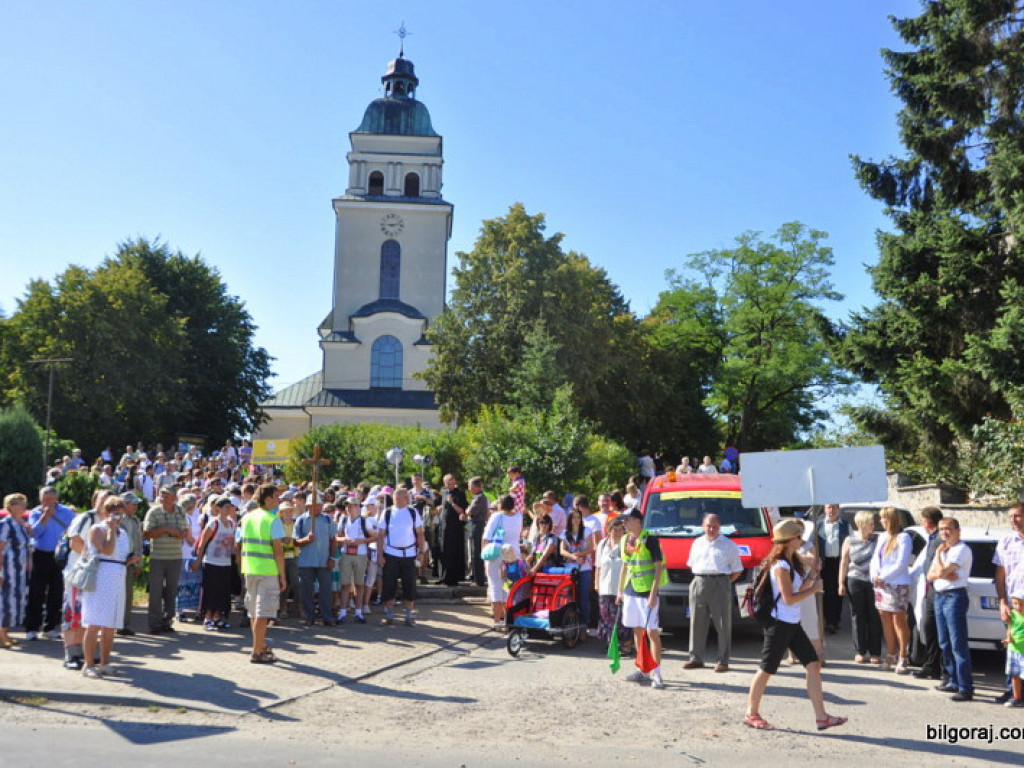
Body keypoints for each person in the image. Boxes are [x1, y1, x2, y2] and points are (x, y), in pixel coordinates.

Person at [744, 519, 846, 731]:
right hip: (780, 624)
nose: (801, 540)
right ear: (790, 540)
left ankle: (822, 717)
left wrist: (813, 574)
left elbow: (799, 588)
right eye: (799, 536)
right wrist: (814, 589)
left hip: (791, 623)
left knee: (813, 664)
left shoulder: (790, 561)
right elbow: (789, 598)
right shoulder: (781, 565)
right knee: (766, 669)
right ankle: (751, 713)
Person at [685, 513, 743, 672]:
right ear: (703, 526)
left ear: (719, 527)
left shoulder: (729, 545)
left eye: (715, 526)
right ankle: (696, 658)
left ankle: (723, 660)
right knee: (696, 622)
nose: (711, 529)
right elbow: (691, 564)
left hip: (720, 583)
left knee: (723, 624)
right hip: (699, 582)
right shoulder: (696, 543)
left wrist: (723, 582)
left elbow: (737, 570)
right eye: (708, 526)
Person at [81, 496, 132, 678]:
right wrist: (110, 529)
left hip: (118, 576)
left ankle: (105, 663)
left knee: (110, 625)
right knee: (94, 623)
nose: (119, 517)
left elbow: (120, 555)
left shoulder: (123, 533)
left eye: (121, 513)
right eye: (115, 513)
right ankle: (88, 665)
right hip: (101, 577)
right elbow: (108, 550)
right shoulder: (97, 529)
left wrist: (130, 560)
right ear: (106, 512)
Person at [617, 508, 667, 689]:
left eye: (627, 520)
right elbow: (625, 566)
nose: (624, 523)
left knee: (652, 632)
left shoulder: (650, 539)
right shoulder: (626, 539)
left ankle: (657, 673)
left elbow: (658, 567)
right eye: (623, 521)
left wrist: (653, 594)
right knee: (637, 631)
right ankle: (643, 668)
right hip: (631, 590)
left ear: (638, 521)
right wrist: (620, 591)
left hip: (646, 592)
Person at [239, 484, 287, 663]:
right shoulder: (272, 520)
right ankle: (257, 651)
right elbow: (278, 551)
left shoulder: (247, 517)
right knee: (263, 612)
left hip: (249, 569)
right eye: (276, 497)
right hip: (267, 570)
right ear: (268, 499)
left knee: (254, 612)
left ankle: (259, 645)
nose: (278, 500)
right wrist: (282, 576)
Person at [929, 517, 974, 702]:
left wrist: (939, 557)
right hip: (940, 596)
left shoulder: (961, 549)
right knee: (944, 642)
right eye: (941, 529)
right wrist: (944, 572)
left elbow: (940, 572)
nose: (944, 532)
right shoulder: (944, 549)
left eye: (948, 529)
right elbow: (930, 575)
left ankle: (965, 687)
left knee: (958, 643)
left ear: (957, 530)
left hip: (954, 597)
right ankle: (952, 680)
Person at [25, 486, 75, 640]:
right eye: (44, 499)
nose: (47, 502)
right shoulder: (35, 512)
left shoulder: (67, 512)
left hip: (60, 557)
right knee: (36, 592)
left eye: (50, 499)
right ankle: (32, 628)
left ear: (56, 499)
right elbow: (34, 533)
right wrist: (45, 517)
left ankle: (50, 627)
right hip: (40, 554)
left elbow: (74, 531)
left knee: (56, 592)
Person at [870, 506, 914, 673]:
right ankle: (890, 654)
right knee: (885, 619)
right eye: (881, 518)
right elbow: (875, 558)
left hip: (896, 583)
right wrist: (875, 575)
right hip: (881, 585)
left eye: (885, 518)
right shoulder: (882, 536)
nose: (882, 521)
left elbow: (901, 563)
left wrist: (883, 577)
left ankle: (903, 656)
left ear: (893, 520)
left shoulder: (904, 537)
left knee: (898, 621)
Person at [838, 510, 882, 664]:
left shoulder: (878, 539)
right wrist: (841, 583)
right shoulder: (850, 540)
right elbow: (844, 562)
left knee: (874, 616)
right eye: (870, 524)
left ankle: (875, 651)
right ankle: (860, 651)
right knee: (858, 615)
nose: (873, 526)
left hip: (873, 582)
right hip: (855, 579)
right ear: (862, 524)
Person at [143, 485, 189, 634]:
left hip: (175, 556)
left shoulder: (180, 511)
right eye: (162, 495)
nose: (164, 498)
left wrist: (181, 534)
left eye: (167, 495)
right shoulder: (154, 512)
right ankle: (154, 623)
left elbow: (185, 529)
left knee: (171, 591)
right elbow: (146, 533)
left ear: (174, 497)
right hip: (158, 557)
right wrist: (165, 529)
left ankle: (167, 621)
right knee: (155, 591)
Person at [377, 488, 426, 627]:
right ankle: (389, 615)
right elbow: (380, 535)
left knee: (410, 585)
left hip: (409, 554)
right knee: (389, 585)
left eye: (406, 497)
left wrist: (421, 552)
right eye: (404, 497)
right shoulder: (387, 512)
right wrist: (380, 555)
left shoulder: (412, 512)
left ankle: (409, 615)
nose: (408, 499)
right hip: (391, 554)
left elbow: (420, 533)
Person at [192, 495, 237, 630]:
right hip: (211, 562)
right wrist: (198, 561)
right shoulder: (213, 523)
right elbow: (202, 544)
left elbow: (233, 542)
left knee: (223, 591)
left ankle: (217, 617)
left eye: (230, 507)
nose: (228, 510)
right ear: (218, 509)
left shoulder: (231, 523)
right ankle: (207, 617)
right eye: (226, 507)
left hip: (226, 562)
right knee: (211, 590)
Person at [909, 507, 944, 679]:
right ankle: (931, 666)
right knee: (929, 628)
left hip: (937, 591)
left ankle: (936, 667)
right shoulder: (932, 538)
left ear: (927, 522)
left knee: (934, 631)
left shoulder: (938, 540)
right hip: (930, 591)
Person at [995, 502, 1024, 704]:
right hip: (1014, 606)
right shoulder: (1006, 540)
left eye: (1018, 516)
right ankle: (1013, 692)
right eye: (1011, 516)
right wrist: (1002, 602)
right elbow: (1000, 574)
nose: (1013, 520)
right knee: (1014, 649)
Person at [483, 495, 522, 627]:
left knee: (495, 585)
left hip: (497, 553)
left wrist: (484, 554)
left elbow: (486, 536)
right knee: (509, 587)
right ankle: (508, 619)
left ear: (500, 504)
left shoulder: (496, 516)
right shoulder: (518, 517)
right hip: (513, 554)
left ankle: (497, 620)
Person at [595, 516, 631, 654]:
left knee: (620, 617)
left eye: (620, 530)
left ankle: (625, 645)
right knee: (606, 617)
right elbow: (598, 566)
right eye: (614, 530)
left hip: (620, 587)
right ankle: (611, 644)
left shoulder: (626, 545)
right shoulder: (602, 544)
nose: (617, 533)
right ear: (609, 531)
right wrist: (596, 583)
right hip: (604, 587)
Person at [0, 494, 32, 647]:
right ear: (11, 506)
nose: (23, 507)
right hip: (8, 568)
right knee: (5, 601)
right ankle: (2, 635)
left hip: (19, 570)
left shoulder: (21, 524)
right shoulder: (6, 524)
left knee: (14, 602)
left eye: (24, 504)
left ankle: (5, 632)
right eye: (20, 504)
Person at [336, 495, 374, 624]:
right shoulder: (343, 519)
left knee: (359, 584)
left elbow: (374, 536)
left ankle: (358, 612)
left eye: (351, 506)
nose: (349, 508)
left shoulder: (365, 521)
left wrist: (360, 541)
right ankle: (343, 612)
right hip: (346, 553)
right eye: (347, 506)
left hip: (360, 553)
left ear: (357, 507)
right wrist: (344, 539)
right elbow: (337, 537)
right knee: (345, 584)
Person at [561, 506, 596, 638]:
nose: (576, 520)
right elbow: (562, 550)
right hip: (570, 569)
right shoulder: (565, 533)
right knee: (569, 597)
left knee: (583, 598)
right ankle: (570, 624)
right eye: (573, 518)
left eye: (578, 517)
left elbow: (591, 548)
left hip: (584, 568)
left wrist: (580, 554)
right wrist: (573, 557)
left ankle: (584, 626)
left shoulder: (586, 531)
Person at [815, 504, 849, 634]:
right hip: (825, 563)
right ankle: (827, 620)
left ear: (839, 510)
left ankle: (835, 621)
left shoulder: (845, 525)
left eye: (834, 508)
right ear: (825, 509)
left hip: (840, 562)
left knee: (838, 592)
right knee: (826, 592)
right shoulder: (819, 524)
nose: (831, 510)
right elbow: (813, 542)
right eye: (829, 507)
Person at [117, 492, 145, 635]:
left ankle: (124, 625)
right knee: (115, 594)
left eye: (136, 504)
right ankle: (111, 623)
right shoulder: (116, 519)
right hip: (116, 561)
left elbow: (138, 542)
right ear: (124, 504)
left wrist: (139, 563)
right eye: (133, 504)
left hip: (131, 562)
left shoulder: (135, 520)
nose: (135, 507)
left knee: (127, 594)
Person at [175, 494, 203, 622]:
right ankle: (179, 610)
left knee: (192, 581)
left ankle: (190, 608)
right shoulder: (186, 518)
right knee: (182, 581)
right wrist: (198, 546)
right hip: (186, 553)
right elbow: (189, 537)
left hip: (191, 553)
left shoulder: (193, 517)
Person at [438, 474, 467, 586]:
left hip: (455, 527)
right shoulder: (444, 492)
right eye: (447, 482)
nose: (450, 484)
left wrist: (452, 503)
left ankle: (453, 578)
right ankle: (443, 576)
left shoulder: (459, 494)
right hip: (444, 526)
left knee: (453, 552)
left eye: (452, 481)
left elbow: (462, 511)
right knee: (443, 551)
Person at [466, 477, 489, 587]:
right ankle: (477, 578)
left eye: (470, 486)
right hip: (476, 525)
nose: (469, 489)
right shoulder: (478, 497)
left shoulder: (479, 497)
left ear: (476, 487)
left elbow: (470, 511)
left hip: (477, 525)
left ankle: (479, 580)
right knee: (475, 552)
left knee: (476, 552)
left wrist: (467, 510)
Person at [1003, 591, 1024, 708]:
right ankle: (1017, 698)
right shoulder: (1013, 614)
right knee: (1014, 675)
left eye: (1021, 604)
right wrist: (1008, 638)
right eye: (1015, 604)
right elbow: (1010, 627)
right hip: (1013, 650)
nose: (1018, 607)